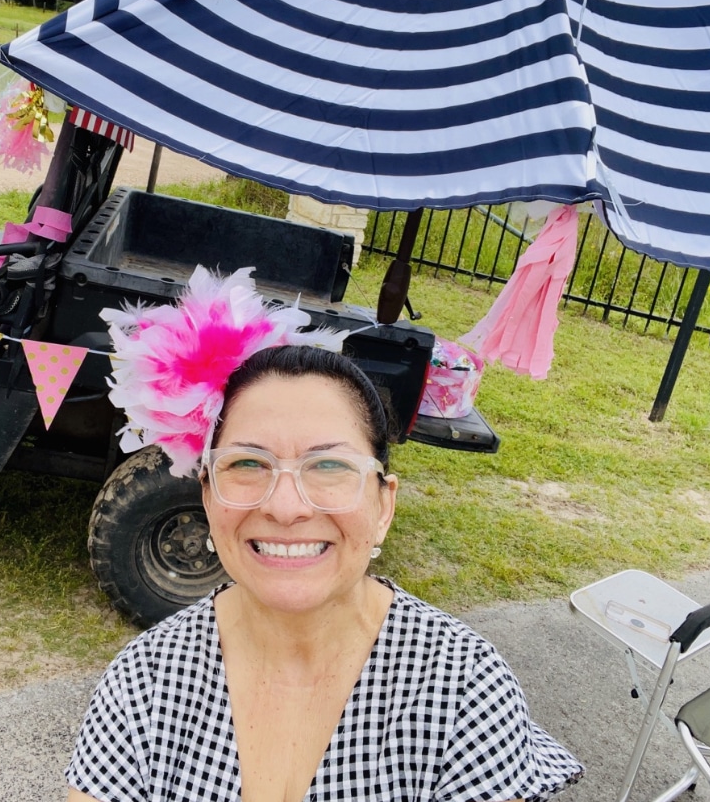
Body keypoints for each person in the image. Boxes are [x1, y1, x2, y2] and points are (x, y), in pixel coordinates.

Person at [69, 269, 582, 802]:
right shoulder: (145, 682)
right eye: (248, 462)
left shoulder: (462, 688)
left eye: (330, 466)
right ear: (207, 494)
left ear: (384, 503)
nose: (285, 507)